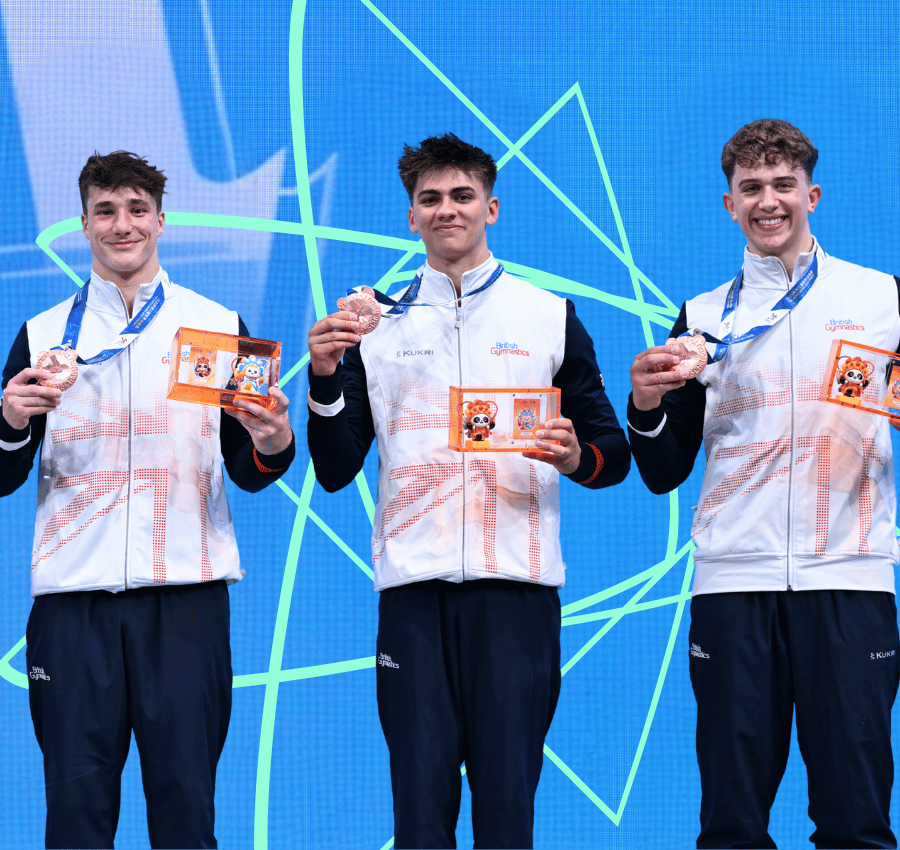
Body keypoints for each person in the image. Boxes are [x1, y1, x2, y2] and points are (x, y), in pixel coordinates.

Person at [306, 133, 630, 849]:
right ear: (411, 217)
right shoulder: (371, 325)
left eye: (462, 195)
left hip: (516, 598)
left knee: (507, 814)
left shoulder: (549, 315)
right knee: (419, 817)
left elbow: (613, 455)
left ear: (492, 207)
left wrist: (576, 454)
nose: (446, 209)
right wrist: (324, 379)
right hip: (413, 599)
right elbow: (334, 468)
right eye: (430, 199)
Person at [0, 151, 295, 849]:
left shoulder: (219, 325)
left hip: (186, 604)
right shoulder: (42, 336)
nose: (122, 224)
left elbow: (250, 467)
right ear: (83, 224)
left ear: (162, 220)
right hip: (73, 608)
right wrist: (9, 422)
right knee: (75, 820)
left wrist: (275, 439)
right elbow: (4, 474)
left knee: (186, 814)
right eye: (105, 211)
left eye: (136, 209)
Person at [627, 119, 900, 849]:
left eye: (784, 185)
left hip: (849, 579)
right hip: (733, 586)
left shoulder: (884, 299)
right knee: (731, 825)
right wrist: (646, 405)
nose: (768, 201)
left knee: (857, 822)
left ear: (813, 194)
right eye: (751, 188)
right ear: (730, 204)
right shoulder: (701, 318)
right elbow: (663, 469)